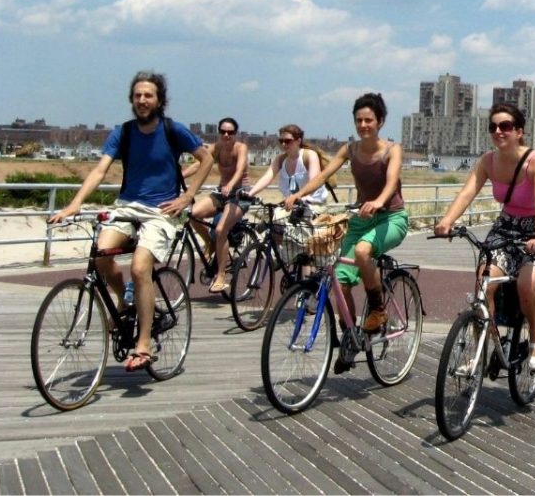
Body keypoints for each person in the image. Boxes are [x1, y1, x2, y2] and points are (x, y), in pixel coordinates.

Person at [49, 71, 213, 372]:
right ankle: (125, 306)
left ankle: (145, 342)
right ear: (131, 99)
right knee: (100, 256)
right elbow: (99, 171)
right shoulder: (122, 132)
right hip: (127, 206)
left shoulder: (172, 130)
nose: (142, 100)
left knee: (140, 268)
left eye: (148, 95)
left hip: (160, 211)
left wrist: (187, 197)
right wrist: (74, 205)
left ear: (159, 100)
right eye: (137, 95)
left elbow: (206, 159)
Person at [435, 103, 535, 371]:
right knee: (484, 282)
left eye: (505, 126)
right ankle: (480, 350)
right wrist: (447, 220)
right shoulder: (488, 161)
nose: (498, 131)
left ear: (519, 132)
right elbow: (467, 192)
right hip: (507, 224)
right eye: (493, 127)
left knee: (527, 285)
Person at [284, 93, 408, 359]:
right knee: (339, 282)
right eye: (359, 120)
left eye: (369, 120)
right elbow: (324, 176)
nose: (363, 125)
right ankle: (351, 335)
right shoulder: (350, 150)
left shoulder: (392, 150)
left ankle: (377, 309)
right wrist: (298, 195)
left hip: (391, 218)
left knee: (363, 253)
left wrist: (378, 201)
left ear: (380, 122)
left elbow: (391, 182)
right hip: (361, 220)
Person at [180, 117, 250, 293]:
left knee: (220, 230)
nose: (226, 135)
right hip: (222, 193)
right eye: (223, 132)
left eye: (231, 132)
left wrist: (231, 184)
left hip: (239, 195)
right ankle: (209, 243)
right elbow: (199, 164)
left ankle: (220, 275)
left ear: (236, 134)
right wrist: (180, 176)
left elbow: (241, 169)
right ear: (219, 133)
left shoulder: (240, 148)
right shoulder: (216, 147)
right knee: (192, 213)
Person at [246, 123, 332, 206]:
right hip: (291, 205)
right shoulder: (280, 159)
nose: (284, 144)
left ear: (298, 141)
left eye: (288, 141)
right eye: (281, 141)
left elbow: (314, 182)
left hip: (314, 204)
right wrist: (250, 194)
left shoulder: (309, 155)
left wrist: (299, 197)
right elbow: (267, 178)